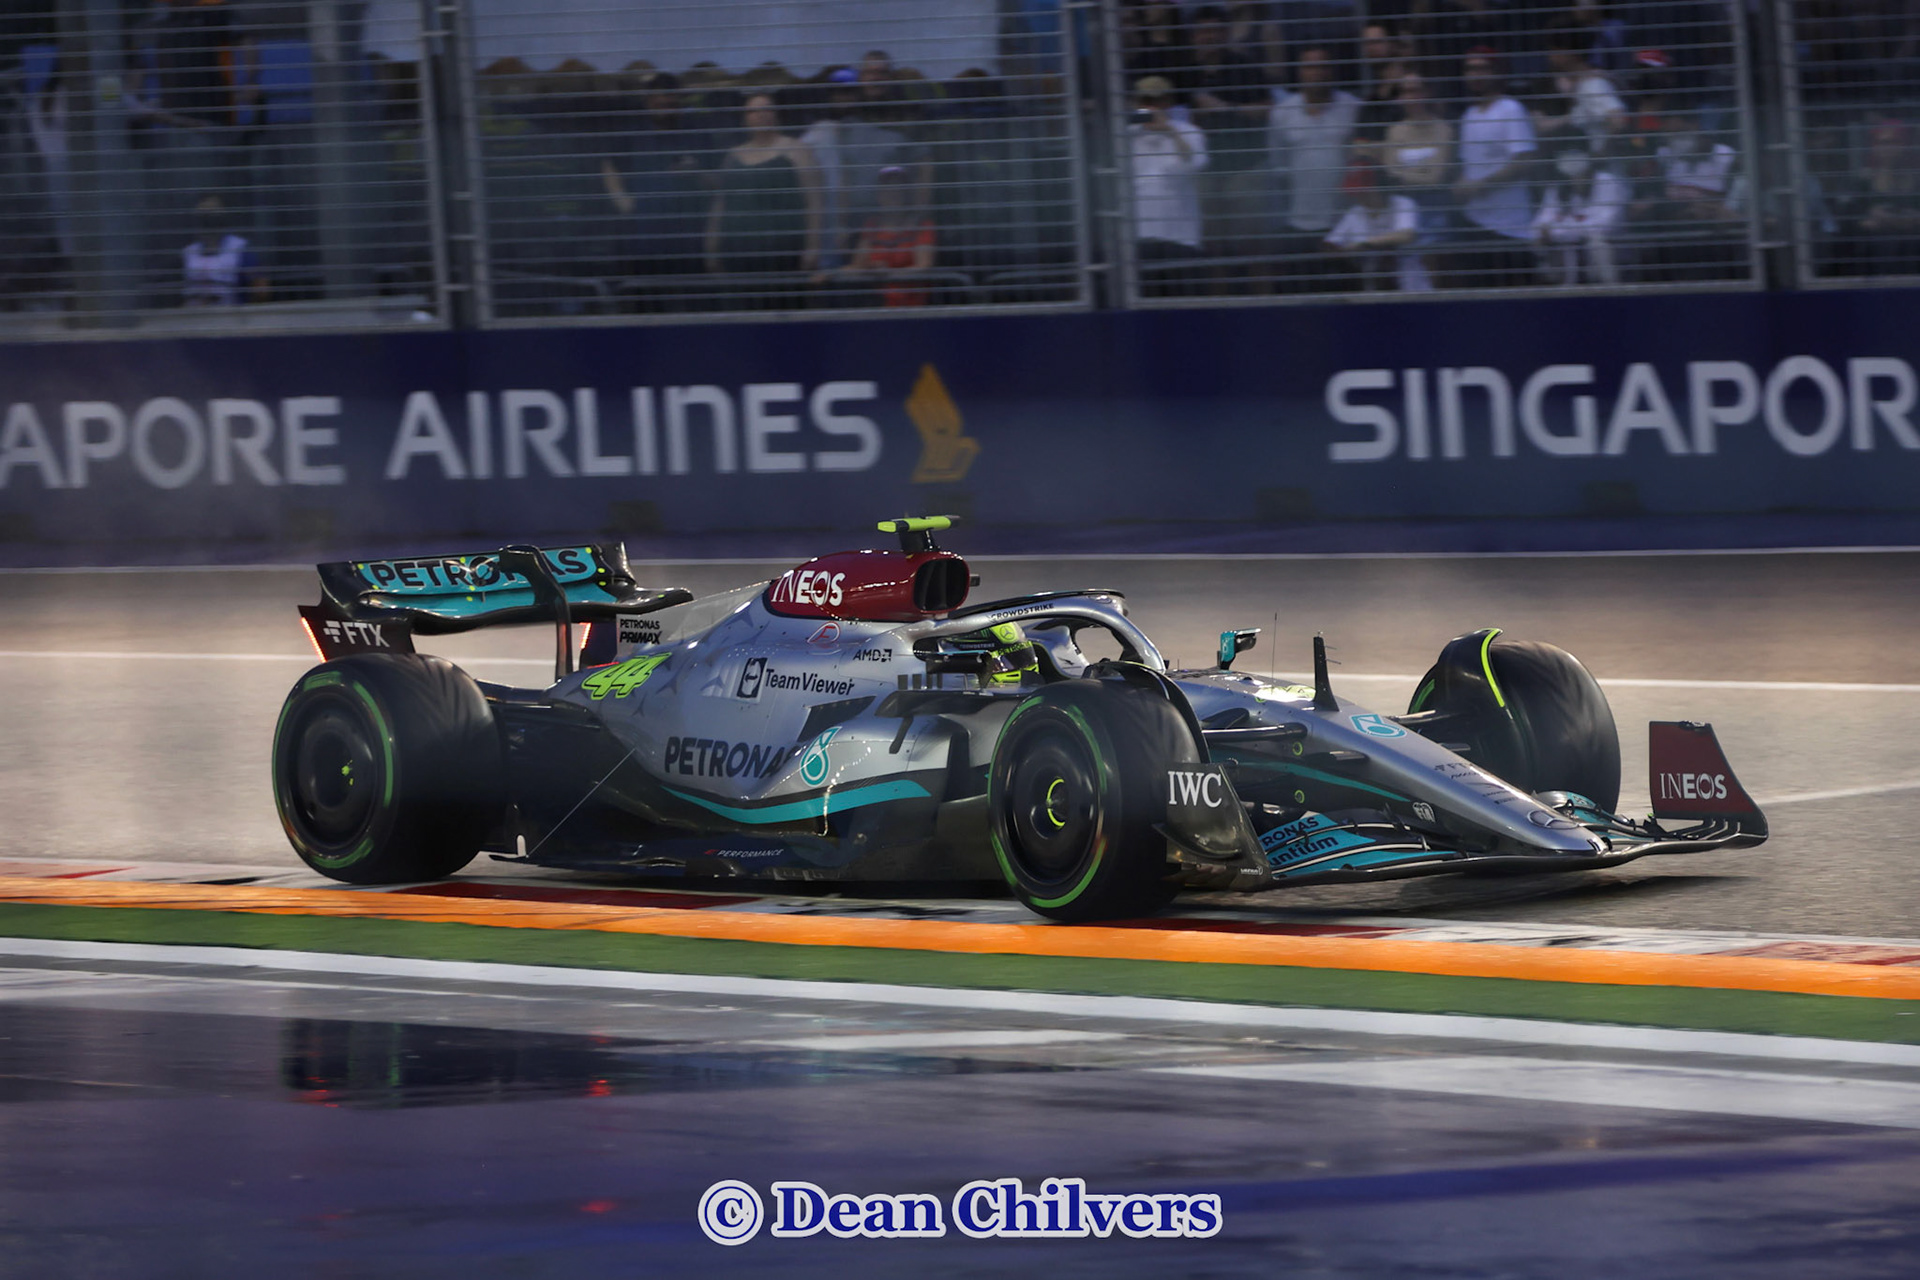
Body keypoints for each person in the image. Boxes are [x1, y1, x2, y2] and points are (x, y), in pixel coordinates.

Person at [705, 92, 823, 296]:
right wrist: (711, 246)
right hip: (738, 251)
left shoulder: (797, 150)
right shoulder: (733, 156)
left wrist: (813, 246)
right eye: (753, 111)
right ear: (745, 118)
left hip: (784, 250)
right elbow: (721, 204)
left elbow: (814, 201)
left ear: (776, 114)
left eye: (766, 109)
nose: (760, 114)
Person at [1186, 5, 1272, 269]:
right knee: (1212, 243)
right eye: (1203, 31)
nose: (1209, 37)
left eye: (1215, 30)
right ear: (1193, 36)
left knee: (1251, 241)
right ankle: (1218, 292)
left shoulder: (1244, 67)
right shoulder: (1186, 70)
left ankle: (1260, 291)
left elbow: (1266, 107)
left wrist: (1225, 107)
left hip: (1244, 167)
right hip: (1203, 170)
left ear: (1226, 33)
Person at [1268, 46, 1360, 290]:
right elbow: (1278, 167)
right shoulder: (1282, 113)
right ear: (1300, 72)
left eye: (1322, 66)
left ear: (1332, 71)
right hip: (1298, 223)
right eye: (1310, 66)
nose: (1317, 73)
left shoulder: (1353, 108)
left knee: (1345, 293)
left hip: (1343, 221)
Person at [1449, 49, 1538, 288]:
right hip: (1475, 224)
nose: (1475, 74)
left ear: (1496, 73)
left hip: (1510, 227)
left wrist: (1482, 184)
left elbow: (1524, 160)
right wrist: (1461, 184)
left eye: (1482, 68)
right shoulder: (1468, 116)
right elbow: (1469, 164)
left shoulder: (1510, 109)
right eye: (1470, 69)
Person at [1128, 76, 1209, 294]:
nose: (1152, 107)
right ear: (1135, 103)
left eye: (1158, 101)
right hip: (1139, 237)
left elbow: (1195, 163)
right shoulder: (1124, 136)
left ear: (1169, 102)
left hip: (1180, 236)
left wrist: (1170, 132)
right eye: (1146, 101)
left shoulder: (1189, 132)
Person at [1321, 164, 1428, 291]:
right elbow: (1332, 244)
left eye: (1364, 192)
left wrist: (1364, 244)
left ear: (1379, 187)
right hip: (1372, 287)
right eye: (1357, 193)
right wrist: (1340, 250)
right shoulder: (1355, 212)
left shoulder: (1403, 203)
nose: (1360, 197)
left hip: (1409, 286)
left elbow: (1406, 235)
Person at [1532, 143, 1628, 284]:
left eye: (1580, 174)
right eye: (1572, 176)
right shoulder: (1559, 187)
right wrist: (1550, 230)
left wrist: (1558, 230)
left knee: (1597, 244)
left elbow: (1604, 225)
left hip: (1609, 244)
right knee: (1548, 245)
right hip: (1567, 245)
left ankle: (1610, 289)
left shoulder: (1607, 182)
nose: (1576, 179)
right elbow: (1541, 222)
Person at [844, 166, 935, 306]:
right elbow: (857, 266)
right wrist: (831, 274)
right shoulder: (872, 226)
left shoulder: (922, 225)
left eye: (898, 189)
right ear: (878, 196)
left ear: (907, 194)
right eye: (886, 190)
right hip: (876, 306)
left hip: (913, 308)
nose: (893, 194)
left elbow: (924, 266)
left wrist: (888, 273)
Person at [182, 195, 264, 306]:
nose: (208, 218)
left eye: (212, 212)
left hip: (230, 313)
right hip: (194, 314)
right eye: (204, 213)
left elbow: (260, 290)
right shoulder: (189, 252)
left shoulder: (239, 248)